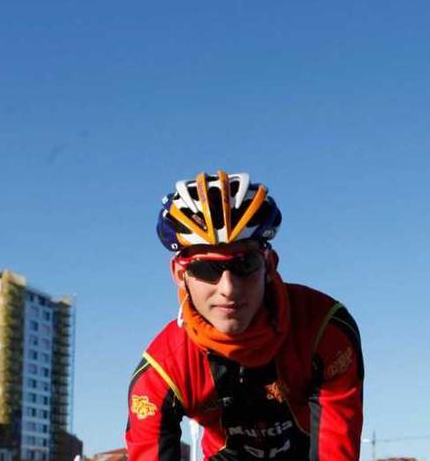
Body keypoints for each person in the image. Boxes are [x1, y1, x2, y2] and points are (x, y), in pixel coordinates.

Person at [126, 170, 363, 460]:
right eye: (206, 268)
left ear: (270, 265)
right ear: (179, 274)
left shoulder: (325, 328)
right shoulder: (162, 371)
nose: (228, 288)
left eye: (245, 264)